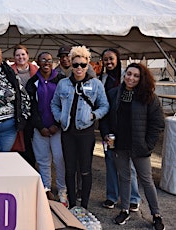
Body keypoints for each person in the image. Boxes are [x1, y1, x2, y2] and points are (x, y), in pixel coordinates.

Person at [100, 63, 165, 229]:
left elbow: (157, 123)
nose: (131, 78)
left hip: (140, 147)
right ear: (124, 75)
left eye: (136, 76)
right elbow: (105, 118)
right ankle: (125, 210)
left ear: (141, 78)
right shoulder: (114, 93)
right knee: (124, 178)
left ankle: (156, 214)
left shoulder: (148, 97)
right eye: (129, 74)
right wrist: (107, 134)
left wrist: (148, 145)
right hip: (119, 144)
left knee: (146, 180)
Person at [51, 46, 109, 209]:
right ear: (71, 64)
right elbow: (54, 103)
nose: (79, 68)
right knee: (70, 169)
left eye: (82, 65)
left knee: (85, 169)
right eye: (75, 64)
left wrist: (93, 115)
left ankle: (84, 204)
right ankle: (72, 204)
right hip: (68, 132)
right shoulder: (63, 84)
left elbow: (104, 105)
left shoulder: (96, 84)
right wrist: (60, 117)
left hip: (86, 132)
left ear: (88, 64)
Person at [98, 48, 141, 211]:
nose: (108, 62)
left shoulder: (128, 75)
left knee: (128, 166)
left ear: (118, 59)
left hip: (127, 130)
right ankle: (111, 197)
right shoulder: (102, 79)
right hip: (109, 128)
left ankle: (133, 197)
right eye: (106, 59)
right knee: (110, 162)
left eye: (111, 59)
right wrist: (105, 132)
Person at [26, 52, 67, 205]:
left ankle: (62, 190)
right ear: (37, 62)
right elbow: (31, 108)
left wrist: (56, 125)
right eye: (43, 59)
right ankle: (46, 189)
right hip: (39, 129)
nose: (46, 62)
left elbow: (65, 104)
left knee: (59, 159)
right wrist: (40, 126)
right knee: (43, 161)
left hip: (58, 128)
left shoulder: (61, 80)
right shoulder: (32, 82)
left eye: (49, 60)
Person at [11, 44, 38, 168]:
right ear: (14, 57)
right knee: (19, 141)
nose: (20, 57)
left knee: (33, 142)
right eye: (17, 55)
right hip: (16, 112)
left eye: (23, 54)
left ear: (28, 55)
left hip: (35, 111)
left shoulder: (37, 71)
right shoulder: (9, 71)